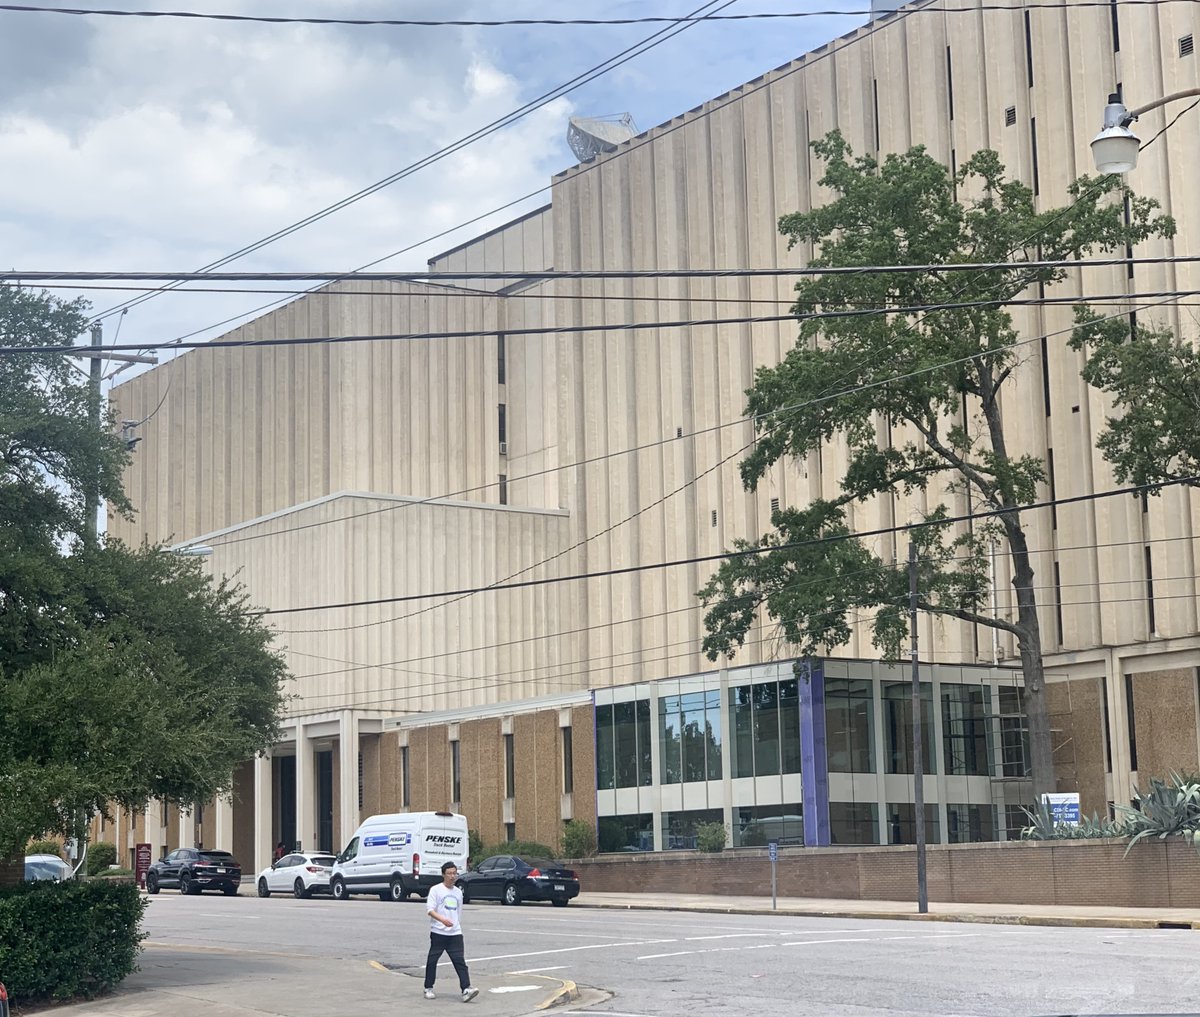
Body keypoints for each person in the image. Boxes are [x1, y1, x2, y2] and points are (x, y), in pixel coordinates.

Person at [423, 861, 478, 1002]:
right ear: (443, 875)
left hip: (455, 933)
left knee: (459, 961)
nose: (452, 876)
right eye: (449, 873)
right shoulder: (436, 890)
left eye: (454, 873)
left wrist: (455, 925)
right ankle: (428, 987)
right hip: (438, 932)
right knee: (432, 960)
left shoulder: (458, 892)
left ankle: (466, 989)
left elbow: (458, 913)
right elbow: (430, 910)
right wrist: (442, 920)